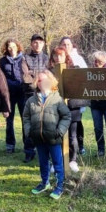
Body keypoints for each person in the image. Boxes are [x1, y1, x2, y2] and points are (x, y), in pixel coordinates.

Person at [23, 70, 71, 200]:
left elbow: (66, 116)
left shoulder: (57, 99)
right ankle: (45, 183)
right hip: (38, 137)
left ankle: (59, 185)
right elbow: (26, 116)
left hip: (53, 138)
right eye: (39, 80)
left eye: (45, 80)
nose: (42, 83)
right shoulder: (31, 100)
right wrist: (28, 131)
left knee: (57, 162)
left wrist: (60, 131)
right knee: (43, 162)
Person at [49, 47, 86, 172]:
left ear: (66, 56)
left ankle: (72, 160)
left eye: (61, 55)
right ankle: (56, 162)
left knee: (72, 136)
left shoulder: (75, 70)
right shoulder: (49, 72)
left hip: (72, 107)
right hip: (55, 109)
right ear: (52, 57)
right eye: (56, 55)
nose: (58, 58)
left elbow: (81, 88)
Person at [20, 34, 50, 163]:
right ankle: (29, 151)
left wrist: (34, 74)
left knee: (46, 122)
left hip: (45, 94)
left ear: (43, 44)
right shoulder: (25, 58)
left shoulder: (47, 59)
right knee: (28, 123)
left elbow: (50, 76)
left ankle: (45, 150)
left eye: (40, 42)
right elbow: (25, 77)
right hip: (29, 94)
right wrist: (41, 77)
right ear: (31, 44)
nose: (37, 45)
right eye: (35, 42)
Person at [0, 39, 26, 154]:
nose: (12, 49)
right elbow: (2, 77)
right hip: (9, 93)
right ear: (6, 48)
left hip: (22, 92)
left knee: (25, 119)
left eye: (14, 46)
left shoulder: (24, 59)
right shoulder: (2, 61)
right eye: (9, 47)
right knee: (9, 119)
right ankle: (10, 145)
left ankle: (28, 144)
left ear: (18, 47)